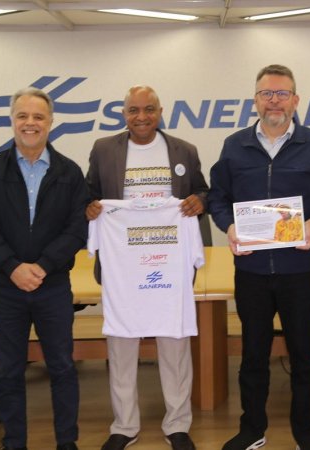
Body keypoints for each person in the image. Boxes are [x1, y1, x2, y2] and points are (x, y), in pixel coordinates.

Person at [208, 64, 310, 450]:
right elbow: (218, 197)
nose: (274, 101)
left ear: (295, 100)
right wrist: (229, 226)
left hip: (299, 271)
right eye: (267, 94)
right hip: (251, 272)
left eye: (282, 93)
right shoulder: (234, 145)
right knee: (253, 357)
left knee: (304, 357)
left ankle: (307, 436)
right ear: (255, 101)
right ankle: (252, 430)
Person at [85, 85, 208, 450]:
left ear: (160, 111)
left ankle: (178, 424)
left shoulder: (184, 150)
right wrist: (89, 207)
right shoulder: (103, 149)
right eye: (134, 110)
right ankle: (124, 426)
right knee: (121, 347)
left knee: (175, 344)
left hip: (168, 264)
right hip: (123, 266)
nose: (142, 117)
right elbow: (88, 193)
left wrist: (199, 201)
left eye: (149, 109)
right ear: (124, 114)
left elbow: (204, 191)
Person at [0, 87, 87, 450]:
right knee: (9, 370)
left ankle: (67, 442)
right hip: (7, 286)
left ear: (50, 122)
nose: (30, 123)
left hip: (53, 286)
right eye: (22, 116)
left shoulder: (69, 172)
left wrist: (44, 266)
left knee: (62, 367)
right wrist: (13, 267)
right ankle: (14, 442)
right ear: (12, 121)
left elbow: (77, 229)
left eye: (38, 116)